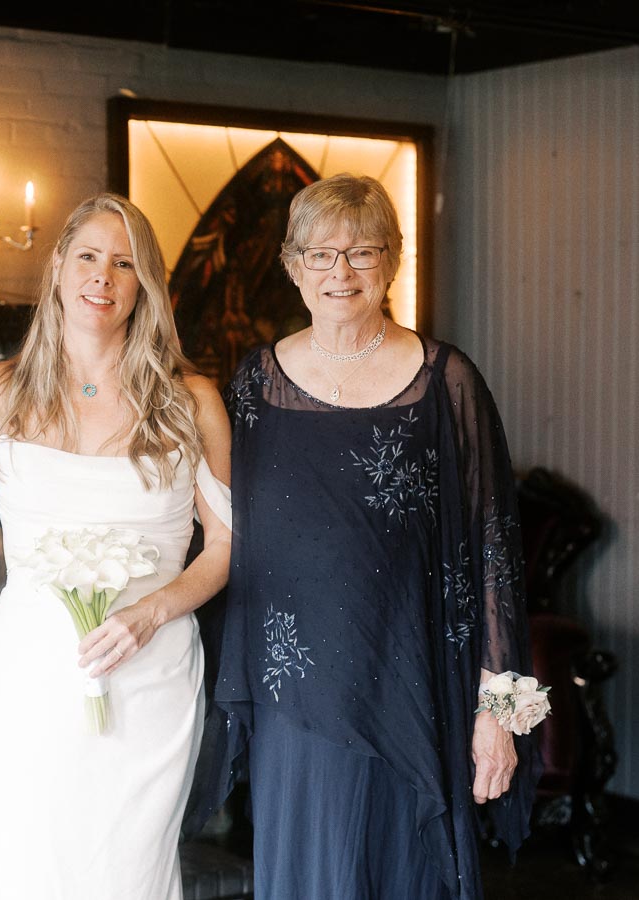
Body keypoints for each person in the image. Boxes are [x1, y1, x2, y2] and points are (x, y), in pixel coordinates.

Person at [208, 172, 543, 899]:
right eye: (322, 255)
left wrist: (502, 715)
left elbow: (495, 551)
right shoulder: (254, 386)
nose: (342, 272)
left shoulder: (446, 380)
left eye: (362, 253)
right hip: (295, 702)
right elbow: (222, 533)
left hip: (415, 681)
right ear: (294, 268)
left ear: (392, 263)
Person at [0, 192, 232, 899]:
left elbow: (225, 545)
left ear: (145, 287)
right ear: (60, 267)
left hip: (151, 672)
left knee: (129, 870)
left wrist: (153, 611)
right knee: (30, 863)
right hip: (32, 674)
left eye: (124, 263)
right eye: (90, 257)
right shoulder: (2, 391)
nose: (103, 276)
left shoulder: (190, 401)